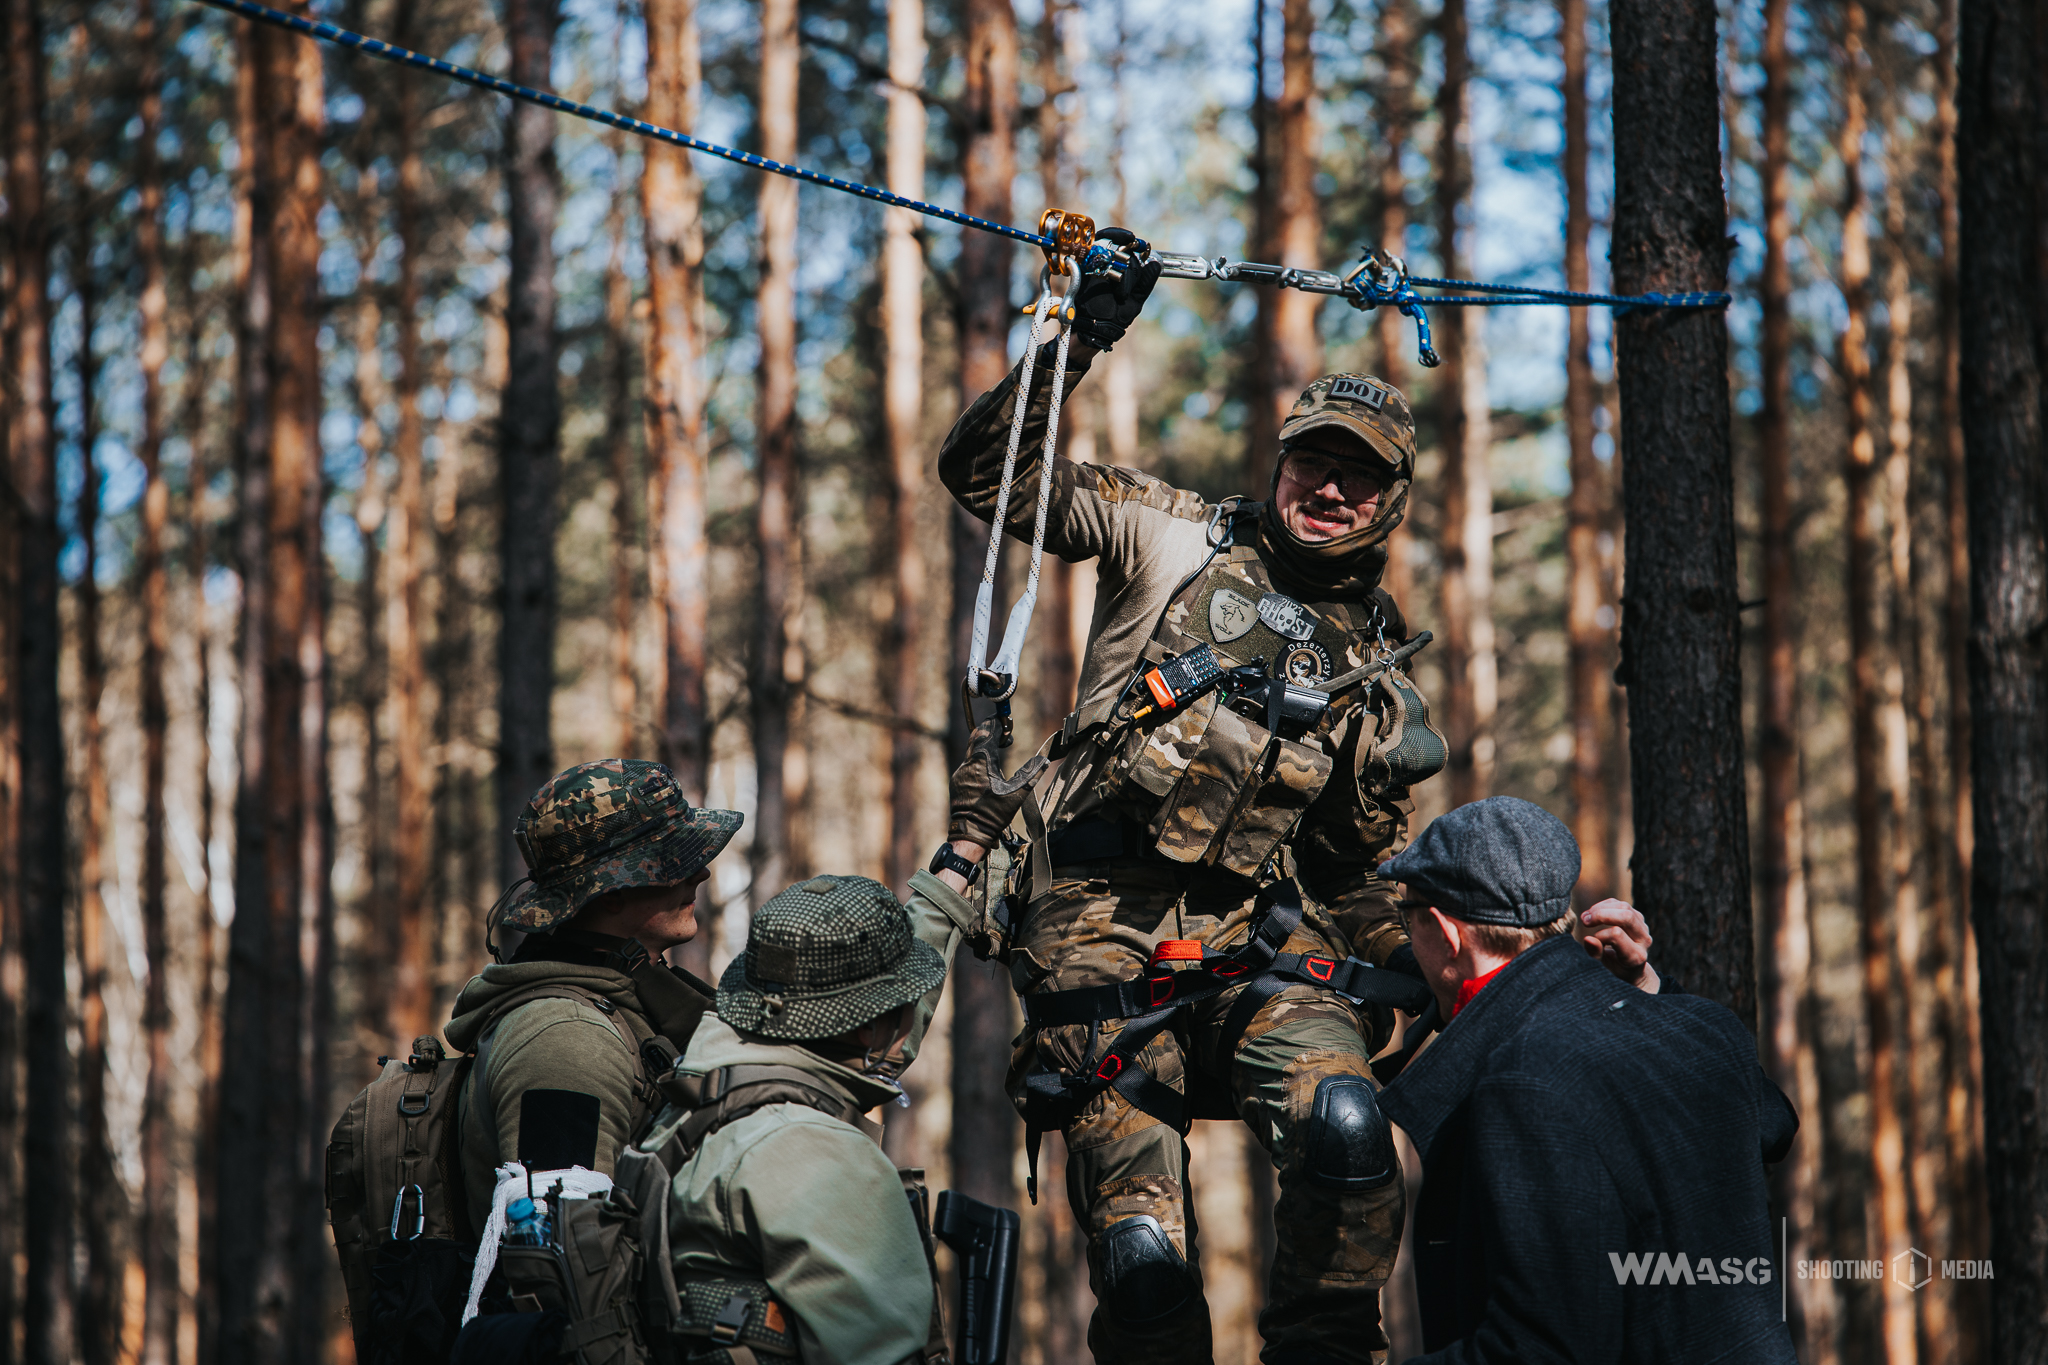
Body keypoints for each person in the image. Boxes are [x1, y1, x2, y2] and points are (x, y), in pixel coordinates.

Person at [936, 240, 1671, 1364]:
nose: (1326, 489)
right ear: (1276, 463)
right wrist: (1076, 337)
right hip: (1090, 943)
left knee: (1345, 1132)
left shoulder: (1376, 676)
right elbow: (982, 476)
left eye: (1357, 476)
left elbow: (1357, 885)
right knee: (1141, 1264)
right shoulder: (1167, 534)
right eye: (1309, 463)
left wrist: (1537, 956)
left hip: (1254, 953)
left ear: (1389, 501)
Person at [1375, 796, 1799, 1364]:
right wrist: (1641, 988)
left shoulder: (1525, 1084)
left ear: (1447, 933)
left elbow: (1538, 1351)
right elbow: (1773, 1122)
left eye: (1409, 918)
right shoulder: (1703, 1026)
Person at [648, 727, 1019, 1365]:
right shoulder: (812, 1154)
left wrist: (964, 851)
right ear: (863, 1025)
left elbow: (864, 1000)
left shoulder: (720, 1064)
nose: (908, 1016)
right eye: (897, 1004)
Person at [445, 758, 744, 1228]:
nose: (700, 876)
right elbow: (560, 1270)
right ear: (609, 894)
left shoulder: (621, 1001)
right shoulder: (565, 1039)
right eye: (674, 863)